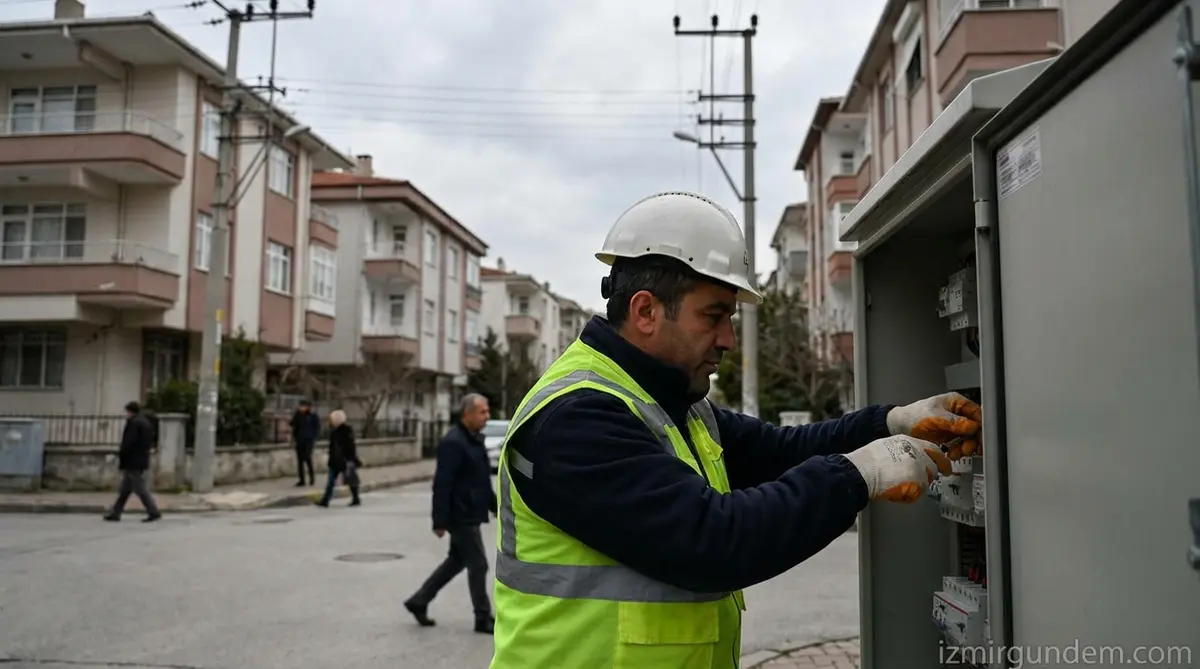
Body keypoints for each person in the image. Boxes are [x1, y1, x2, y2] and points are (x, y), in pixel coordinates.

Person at [488, 191, 983, 669]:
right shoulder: (576, 418)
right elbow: (715, 541)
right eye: (714, 316)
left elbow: (775, 451)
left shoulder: (669, 401)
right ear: (645, 312)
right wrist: (860, 474)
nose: (727, 338)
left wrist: (890, 422)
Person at [404, 393, 497, 635]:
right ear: (467, 414)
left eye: (487, 412)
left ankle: (419, 601)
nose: (487, 417)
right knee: (479, 565)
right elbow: (442, 483)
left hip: (471, 511)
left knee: (457, 561)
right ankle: (482, 617)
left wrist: (496, 506)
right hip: (460, 514)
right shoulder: (453, 442)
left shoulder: (474, 440)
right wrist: (439, 519)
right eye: (482, 412)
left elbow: (481, 482)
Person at [103, 401, 162, 523]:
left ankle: (153, 511)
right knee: (125, 489)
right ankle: (115, 512)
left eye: (127, 412)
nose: (127, 414)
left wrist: (122, 454)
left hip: (132, 460)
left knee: (140, 488)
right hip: (141, 458)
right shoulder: (146, 423)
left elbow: (129, 442)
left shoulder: (134, 423)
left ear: (130, 411)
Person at [315, 410, 361, 508]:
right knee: (345, 480)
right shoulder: (341, 432)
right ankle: (326, 500)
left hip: (341, 460)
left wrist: (349, 459)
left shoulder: (341, 432)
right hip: (340, 460)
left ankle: (326, 500)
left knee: (340, 480)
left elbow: (348, 447)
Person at [290, 399, 320, 487]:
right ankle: (301, 480)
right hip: (299, 440)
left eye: (303, 406)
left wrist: (313, 437)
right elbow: (293, 424)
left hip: (309, 440)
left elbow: (317, 427)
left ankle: (311, 478)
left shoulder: (312, 416)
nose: (301, 408)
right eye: (300, 406)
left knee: (307, 458)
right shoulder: (298, 415)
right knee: (300, 461)